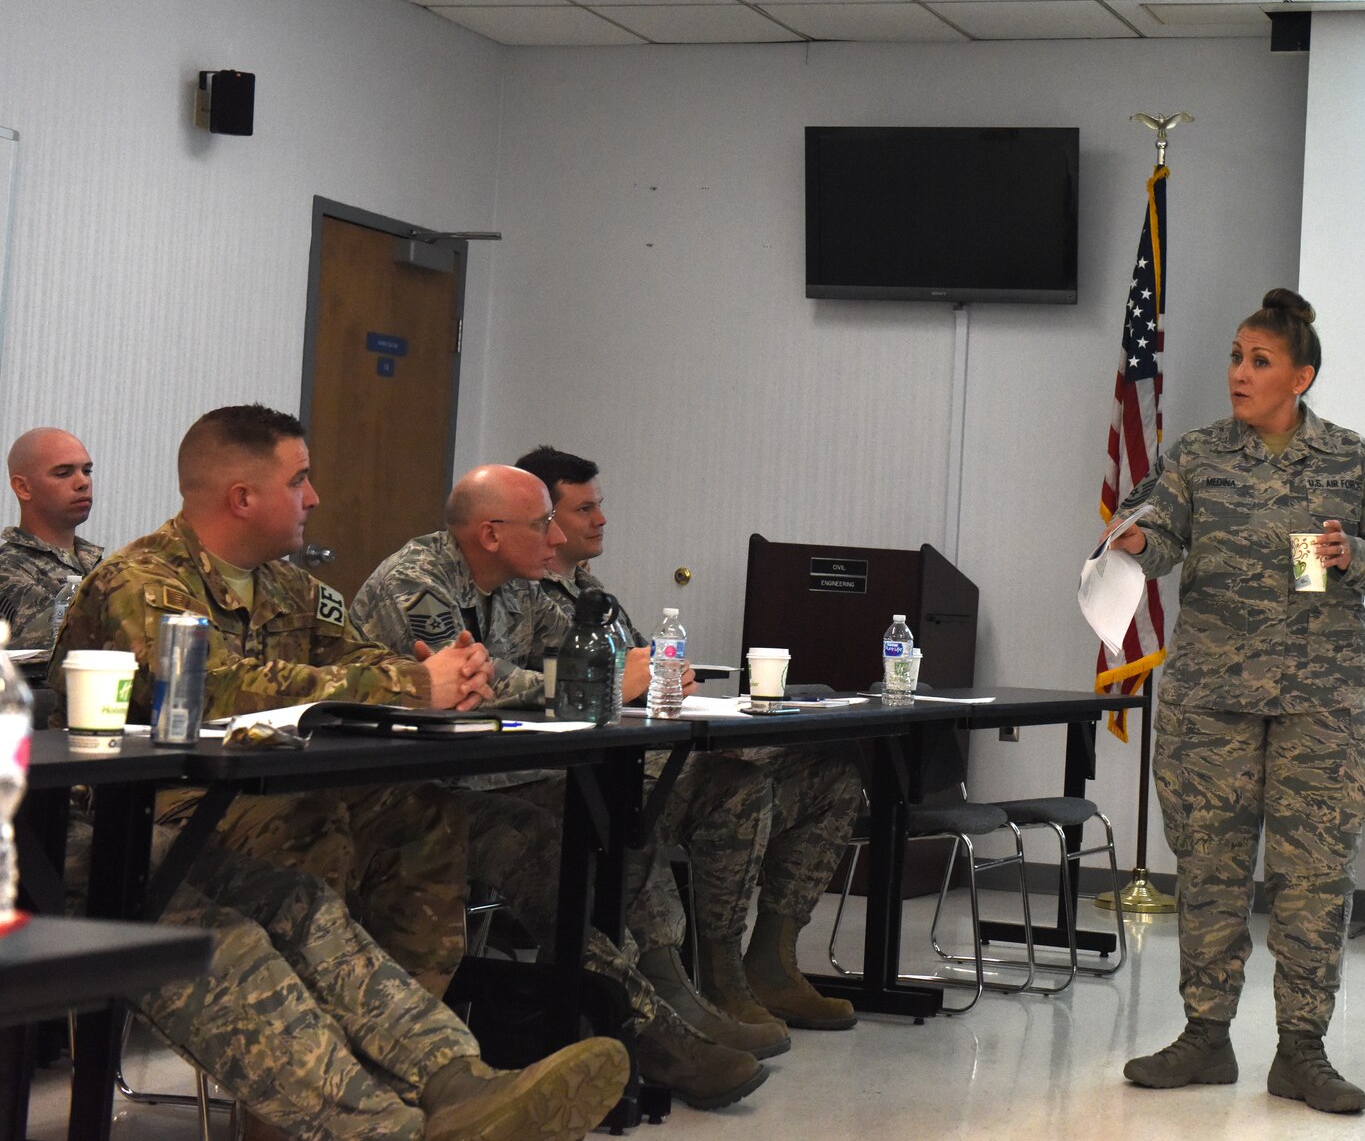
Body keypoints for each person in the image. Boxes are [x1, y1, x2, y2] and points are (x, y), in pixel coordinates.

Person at [351, 464, 768, 1109]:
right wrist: (604, 681)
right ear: (491, 534)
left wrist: (644, 669)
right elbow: (472, 685)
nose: (556, 535)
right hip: (415, 792)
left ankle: (657, 994)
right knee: (547, 851)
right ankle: (652, 1038)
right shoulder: (417, 584)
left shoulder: (522, 589)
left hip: (497, 773)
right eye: (542, 521)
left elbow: (591, 656)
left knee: (619, 819)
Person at [1109, 288, 1365, 1115]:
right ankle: (1204, 1036)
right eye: (1234, 357)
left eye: (1259, 361)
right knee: (1211, 869)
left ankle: (1302, 1050)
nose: (1239, 373)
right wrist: (1143, 540)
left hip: (1319, 708)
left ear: (1301, 376)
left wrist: (1353, 552)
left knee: (1313, 878)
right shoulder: (1199, 455)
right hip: (1212, 700)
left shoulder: (1350, 461)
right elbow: (1161, 530)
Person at [51, 405, 494, 995]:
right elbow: (209, 690)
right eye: (297, 481)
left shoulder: (289, 584)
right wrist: (414, 686)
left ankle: (410, 1039)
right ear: (242, 498)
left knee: (425, 814)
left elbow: (356, 658)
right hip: (147, 802)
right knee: (308, 822)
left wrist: (446, 676)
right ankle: (320, 1060)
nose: (313, 498)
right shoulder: (142, 581)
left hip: (260, 782)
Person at [514, 445, 865, 1042]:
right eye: (584, 509)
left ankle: (771, 962)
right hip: (580, 779)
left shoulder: (591, 590)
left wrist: (670, 676)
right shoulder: (523, 595)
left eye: (600, 506)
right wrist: (633, 679)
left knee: (835, 776)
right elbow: (553, 692)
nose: (601, 520)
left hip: (646, 755)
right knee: (738, 786)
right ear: (545, 516)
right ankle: (716, 979)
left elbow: (651, 668)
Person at [99, 835, 628, 1141]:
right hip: (39, 842)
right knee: (209, 940)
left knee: (297, 902)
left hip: (104, 815)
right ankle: (379, 1129)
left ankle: (457, 1085)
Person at [0, 426, 102, 648]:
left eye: (87, 471)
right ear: (23, 487)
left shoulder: (100, 565)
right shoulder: (8, 569)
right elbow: (59, 646)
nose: (83, 482)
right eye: (63, 473)